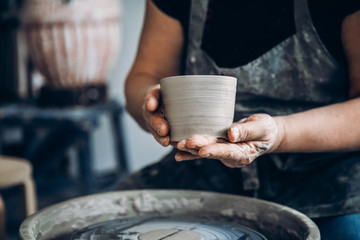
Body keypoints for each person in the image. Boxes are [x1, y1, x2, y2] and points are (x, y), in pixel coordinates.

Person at [119, 0, 360, 238]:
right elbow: (145, 74)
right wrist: (149, 103)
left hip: (326, 170)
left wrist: (281, 132)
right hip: (206, 162)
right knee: (114, 218)